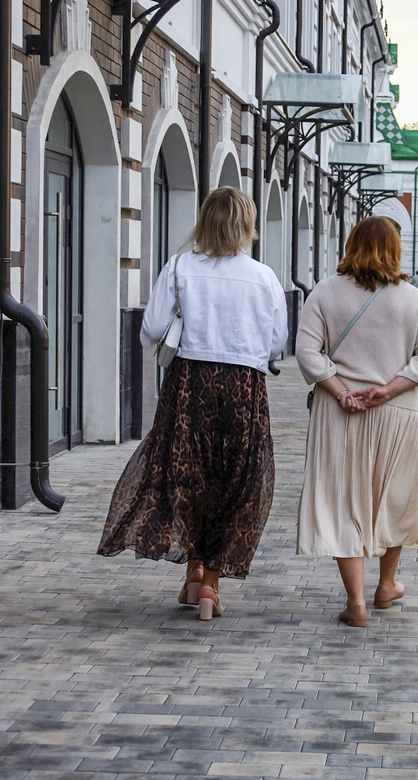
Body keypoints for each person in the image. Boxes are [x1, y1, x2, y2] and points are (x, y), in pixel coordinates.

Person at [98, 187, 288, 621]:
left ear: (205, 221)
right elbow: (277, 342)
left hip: (190, 384)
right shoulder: (264, 277)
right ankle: (210, 585)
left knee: (186, 476)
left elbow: (150, 329)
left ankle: (192, 572)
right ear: (246, 225)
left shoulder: (180, 267)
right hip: (244, 387)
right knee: (235, 481)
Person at [296, 217, 418, 628]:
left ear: (351, 244)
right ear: (395, 249)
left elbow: (307, 352)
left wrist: (342, 391)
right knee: (394, 498)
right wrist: (387, 390)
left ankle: (355, 601)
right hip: (396, 412)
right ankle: (387, 584)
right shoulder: (412, 299)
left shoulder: (324, 292)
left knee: (344, 502)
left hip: (339, 412)